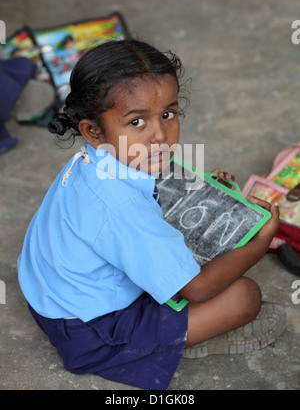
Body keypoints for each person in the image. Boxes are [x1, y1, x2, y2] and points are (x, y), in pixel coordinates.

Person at [18, 39, 285, 390]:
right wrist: (259, 243)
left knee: (188, 226)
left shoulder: (98, 157)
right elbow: (197, 289)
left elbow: (152, 185)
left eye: (168, 114)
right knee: (244, 296)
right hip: (88, 330)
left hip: (47, 290)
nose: (159, 134)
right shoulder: (121, 205)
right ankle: (169, 347)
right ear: (93, 130)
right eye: (137, 120)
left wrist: (209, 191)